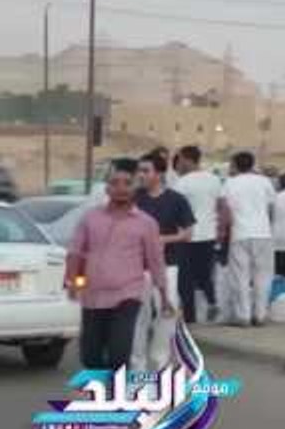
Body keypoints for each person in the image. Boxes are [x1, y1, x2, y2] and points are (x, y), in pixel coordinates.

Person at [66, 158, 170, 370]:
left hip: (127, 295)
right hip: (93, 296)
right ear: (107, 188)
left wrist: (164, 296)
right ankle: (101, 385)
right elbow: (75, 252)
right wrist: (72, 282)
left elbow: (156, 261)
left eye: (127, 183)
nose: (121, 188)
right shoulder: (90, 218)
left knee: (119, 353)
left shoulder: (146, 223)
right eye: (115, 183)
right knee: (90, 356)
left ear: (135, 188)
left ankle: (117, 387)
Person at [132, 151, 196, 371]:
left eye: (146, 170)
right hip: (137, 267)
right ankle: (137, 367)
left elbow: (188, 233)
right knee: (138, 315)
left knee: (167, 309)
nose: (141, 175)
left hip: (167, 264)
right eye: (139, 171)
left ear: (159, 173)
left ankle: (161, 361)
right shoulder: (133, 199)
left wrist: (162, 239)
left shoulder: (177, 200)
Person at [220, 151, 276, 328]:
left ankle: (243, 315)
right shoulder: (264, 181)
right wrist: (267, 226)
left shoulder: (229, 183)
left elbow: (225, 210)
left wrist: (223, 231)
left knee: (240, 276)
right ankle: (260, 315)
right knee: (263, 275)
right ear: (252, 164)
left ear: (235, 165)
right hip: (263, 233)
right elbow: (271, 208)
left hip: (240, 233)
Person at [174, 145, 222, 324]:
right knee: (204, 274)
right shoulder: (214, 180)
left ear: (187, 159)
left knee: (185, 277)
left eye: (180, 160)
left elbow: (176, 210)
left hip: (187, 235)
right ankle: (212, 301)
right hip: (208, 234)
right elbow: (220, 206)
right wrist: (220, 230)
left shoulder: (182, 183)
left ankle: (190, 316)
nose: (178, 164)